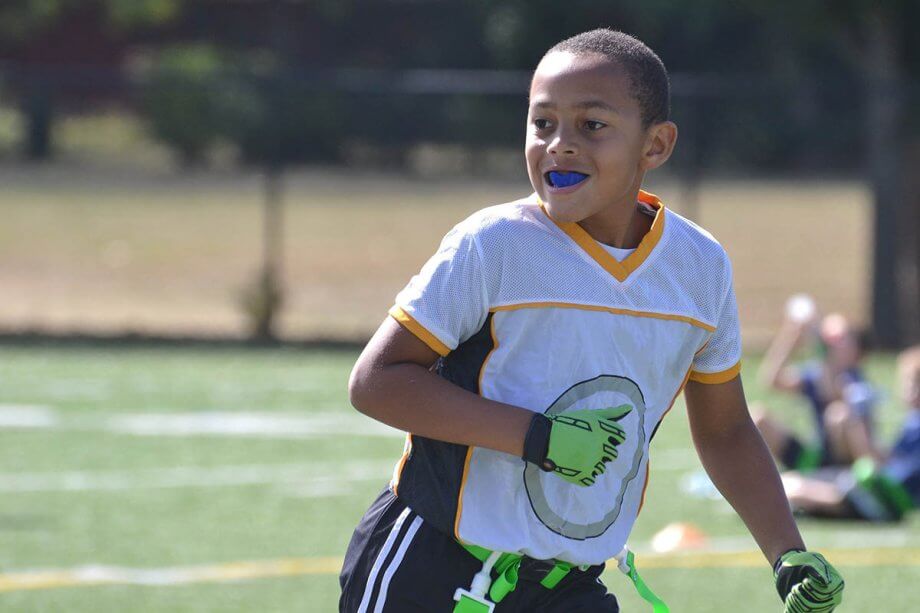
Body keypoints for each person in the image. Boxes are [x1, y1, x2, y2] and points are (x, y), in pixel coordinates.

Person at [339, 29, 844, 612]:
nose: (560, 145)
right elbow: (376, 381)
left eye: (592, 126)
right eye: (542, 123)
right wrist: (537, 437)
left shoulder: (699, 267)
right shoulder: (495, 244)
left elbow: (726, 431)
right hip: (432, 567)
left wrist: (785, 552)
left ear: (654, 146)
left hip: (567, 588)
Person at [781, 345, 920, 522]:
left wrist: (858, 421)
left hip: (884, 498)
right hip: (881, 492)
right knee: (791, 483)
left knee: (792, 488)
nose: (903, 388)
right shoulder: (913, 421)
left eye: (908, 382)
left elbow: (886, 468)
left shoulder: (916, 423)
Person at [753, 303, 878, 472]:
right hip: (818, 456)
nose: (830, 343)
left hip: (845, 463)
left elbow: (836, 394)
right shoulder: (816, 373)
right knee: (758, 418)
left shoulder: (855, 377)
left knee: (839, 415)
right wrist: (791, 337)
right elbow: (772, 381)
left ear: (856, 349)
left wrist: (817, 344)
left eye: (839, 338)